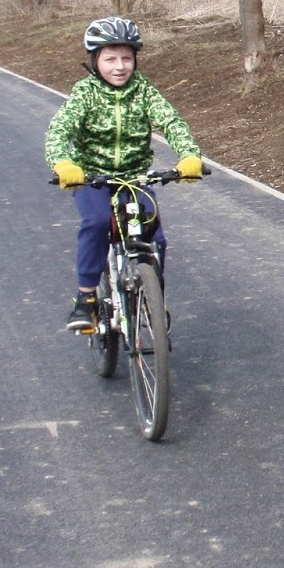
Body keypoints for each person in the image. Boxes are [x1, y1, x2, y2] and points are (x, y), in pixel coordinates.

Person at [45, 16, 203, 333]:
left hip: (134, 179)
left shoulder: (143, 91)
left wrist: (189, 155)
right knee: (97, 222)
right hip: (92, 178)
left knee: (154, 238)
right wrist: (63, 164)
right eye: (110, 59)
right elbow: (59, 131)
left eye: (126, 58)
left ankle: (151, 299)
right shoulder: (85, 93)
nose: (120, 67)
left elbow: (171, 122)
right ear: (95, 60)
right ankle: (86, 298)